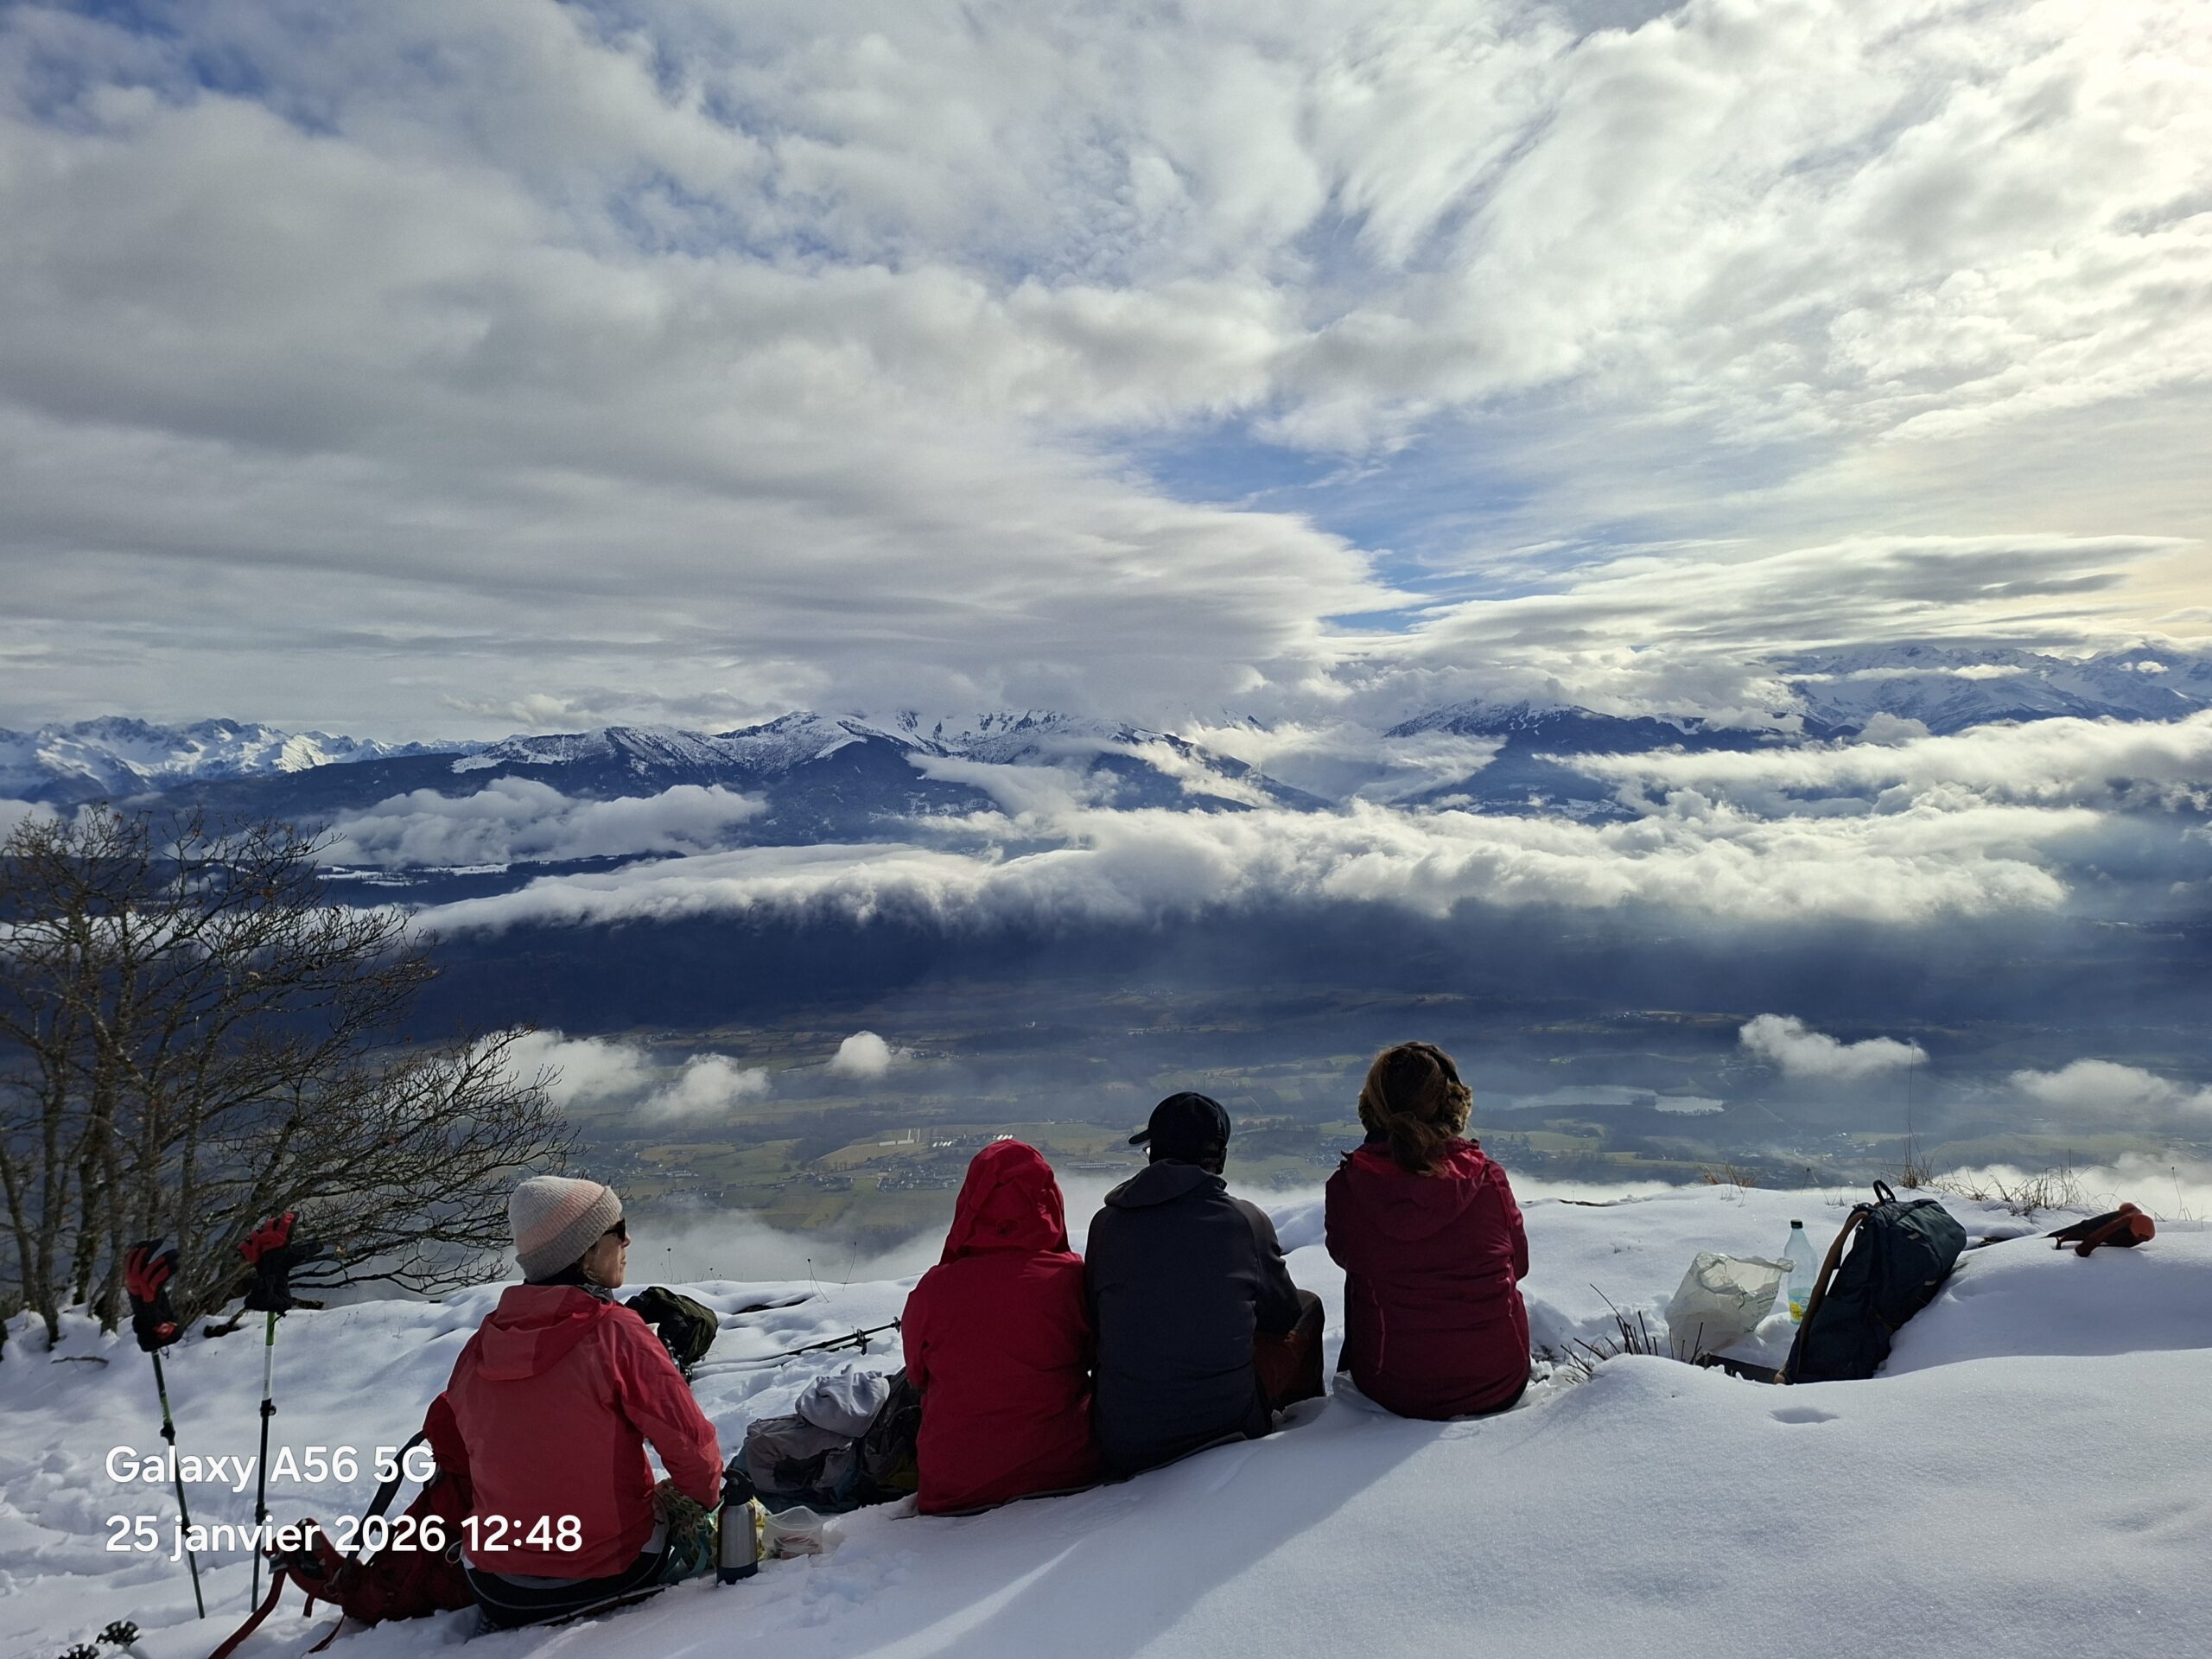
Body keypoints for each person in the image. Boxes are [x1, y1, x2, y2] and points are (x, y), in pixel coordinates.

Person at [437, 1175, 723, 1630]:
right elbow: (694, 1450)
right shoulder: (616, 1334)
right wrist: (700, 1503)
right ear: (585, 1253)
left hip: (498, 1586)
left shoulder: (479, 1349)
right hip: (608, 1572)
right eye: (617, 1230)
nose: (627, 1240)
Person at [1086, 1092, 1322, 1478]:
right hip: (1228, 1426)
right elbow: (1284, 1316)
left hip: (1123, 1441)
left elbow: (1096, 1319)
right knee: (1309, 1306)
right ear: (1219, 1158)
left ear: (1153, 1153)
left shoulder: (1106, 1224)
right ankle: (1303, 1429)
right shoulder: (1245, 1223)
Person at [1325, 1042, 1531, 1420]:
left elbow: (1344, 1254)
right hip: (1500, 1382)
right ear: (1453, 1105)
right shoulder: (1488, 1178)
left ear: (1372, 1110)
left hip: (1393, 1388)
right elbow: (1519, 1265)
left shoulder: (1349, 1186)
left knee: (1363, 1276)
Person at [901, 1140, 1101, 1513]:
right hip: (1067, 1474)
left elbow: (917, 1374)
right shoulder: (1073, 1280)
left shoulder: (934, 1291)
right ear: (1049, 1201)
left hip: (957, 1489)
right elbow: (1097, 1356)